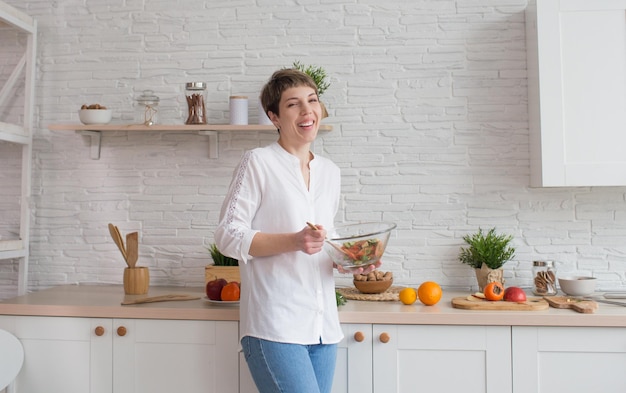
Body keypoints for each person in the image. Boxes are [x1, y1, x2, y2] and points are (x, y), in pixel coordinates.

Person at [214, 68, 380, 393]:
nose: (307, 111)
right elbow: (227, 236)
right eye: (293, 105)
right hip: (274, 325)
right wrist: (294, 240)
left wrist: (348, 261)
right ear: (274, 116)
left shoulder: (330, 172)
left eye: (312, 100)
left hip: (323, 328)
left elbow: (322, 244)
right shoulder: (258, 162)